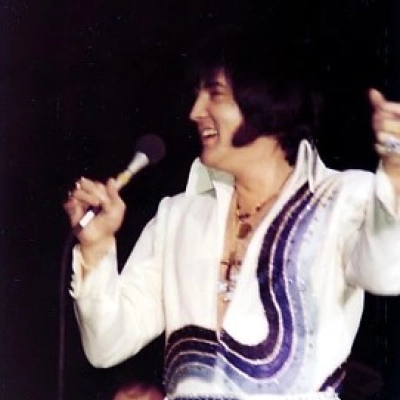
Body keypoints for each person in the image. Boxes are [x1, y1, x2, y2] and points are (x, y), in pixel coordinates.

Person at [64, 29, 400, 400]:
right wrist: (96, 247)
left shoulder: (341, 198)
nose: (195, 112)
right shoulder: (178, 217)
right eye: (197, 95)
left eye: (215, 94)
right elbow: (106, 344)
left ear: (270, 100)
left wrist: (396, 175)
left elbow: (386, 272)